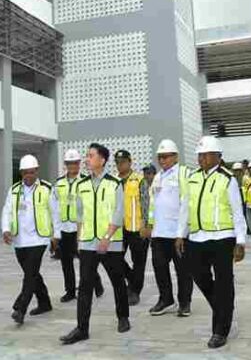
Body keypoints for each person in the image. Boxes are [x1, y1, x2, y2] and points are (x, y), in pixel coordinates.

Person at [175, 136, 246, 349]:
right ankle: (224, 308)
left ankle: (220, 330)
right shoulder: (193, 178)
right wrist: (180, 234)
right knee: (198, 275)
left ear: (217, 156)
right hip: (197, 238)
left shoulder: (228, 179)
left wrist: (240, 241)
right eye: (199, 155)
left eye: (205, 155)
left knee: (224, 281)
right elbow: (185, 207)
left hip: (222, 238)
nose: (201, 159)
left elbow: (237, 211)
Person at [60, 143, 130, 345]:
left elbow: (118, 212)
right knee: (85, 286)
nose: (86, 159)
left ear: (102, 160)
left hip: (111, 243)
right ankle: (82, 328)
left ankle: (123, 317)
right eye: (87, 156)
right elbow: (80, 214)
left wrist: (107, 238)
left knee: (117, 281)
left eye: (91, 156)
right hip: (89, 243)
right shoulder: (82, 185)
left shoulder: (115, 183)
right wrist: (80, 239)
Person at [1, 155, 61, 325]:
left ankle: (20, 308)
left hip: (39, 239)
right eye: (25, 173)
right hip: (19, 239)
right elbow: (6, 211)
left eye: (32, 172)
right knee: (32, 273)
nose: (29, 176)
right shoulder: (13, 190)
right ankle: (44, 302)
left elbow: (56, 213)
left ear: (37, 171)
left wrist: (56, 235)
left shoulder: (47, 189)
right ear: (21, 173)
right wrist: (5, 229)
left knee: (29, 274)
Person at [143, 139, 193, 317]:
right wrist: (149, 224)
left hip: (178, 234)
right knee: (159, 268)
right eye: (160, 157)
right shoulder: (157, 177)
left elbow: (186, 204)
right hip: (159, 233)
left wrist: (181, 234)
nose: (162, 160)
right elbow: (152, 204)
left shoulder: (184, 173)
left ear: (175, 156)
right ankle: (166, 299)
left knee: (183, 271)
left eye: (165, 157)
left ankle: (185, 303)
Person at [55, 149, 104, 302]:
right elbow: (54, 207)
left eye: (75, 163)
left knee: (85, 260)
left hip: (80, 229)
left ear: (79, 164)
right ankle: (70, 291)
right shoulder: (58, 183)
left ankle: (96, 283)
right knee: (66, 262)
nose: (72, 166)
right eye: (69, 163)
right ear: (65, 165)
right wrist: (55, 231)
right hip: (64, 228)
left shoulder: (86, 182)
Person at [115, 149, 150, 307]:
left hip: (137, 228)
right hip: (119, 229)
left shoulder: (139, 180)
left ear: (130, 162)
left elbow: (146, 203)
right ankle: (131, 278)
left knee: (139, 262)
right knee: (115, 258)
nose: (120, 165)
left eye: (123, 162)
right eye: (117, 162)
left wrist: (145, 224)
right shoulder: (114, 182)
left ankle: (134, 291)